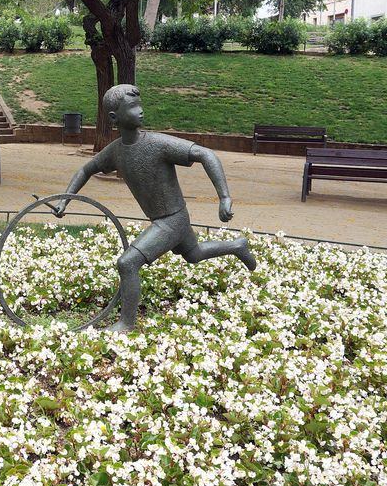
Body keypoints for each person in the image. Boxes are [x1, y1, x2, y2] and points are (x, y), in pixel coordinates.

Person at [53, 84, 256, 332]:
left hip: (170, 220)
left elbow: (206, 154)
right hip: (170, 218)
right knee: (194, 254)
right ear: (114, 118)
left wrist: (224, 196)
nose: (140, 111)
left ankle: (126, 323)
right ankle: (236, 246)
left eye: (140, 105)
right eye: (132, 107)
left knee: (127, 263)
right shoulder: (115, 152)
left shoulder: (158, 144)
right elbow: (86, 169)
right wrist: (65, 199)